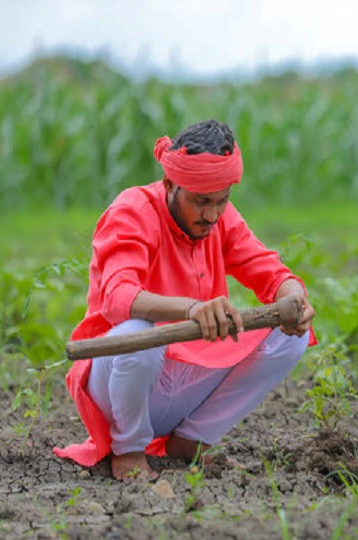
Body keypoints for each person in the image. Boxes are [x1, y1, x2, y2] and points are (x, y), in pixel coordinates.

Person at [53, 120, 317, 481]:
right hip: (120, 381)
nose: (212, 215)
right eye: (201, 202)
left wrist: (294, 300)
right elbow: (117, 297)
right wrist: (192, 309)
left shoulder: (221, 218)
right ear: (169, 185)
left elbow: (270, 272)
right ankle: (128, 449)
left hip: (183, 377)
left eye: (221, 202)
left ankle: (192, 439)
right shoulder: (132, 210)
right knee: (136, 331)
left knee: (292, 337)